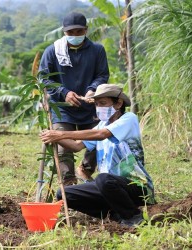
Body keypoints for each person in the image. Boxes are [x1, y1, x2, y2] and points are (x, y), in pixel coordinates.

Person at [40, 84, 155, 227]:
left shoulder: (129, 119)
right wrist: (53, 137)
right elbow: (76, 146)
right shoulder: (102, 124)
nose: (99, 108)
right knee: (64, 194)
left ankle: (133, 216)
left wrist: (61, 133)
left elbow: (102, 135)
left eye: (103, 103)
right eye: (96, 104)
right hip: (108, 188)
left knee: (103, 179)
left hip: (136, 187)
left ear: (118, 103)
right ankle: (115, 215)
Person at [39, 12, 110, 185]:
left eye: (79, 32)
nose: (74, 36)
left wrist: (92, 89)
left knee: (98, 139)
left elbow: (102, 74)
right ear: (64, 32)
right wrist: (64, 92)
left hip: (89, 106)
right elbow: (44, 79)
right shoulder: (53, 51)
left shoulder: (97, 50)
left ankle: (85, 170)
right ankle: (68, 183)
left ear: (86, 30)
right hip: (62, 106)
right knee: (63, 145)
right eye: (70, 33)